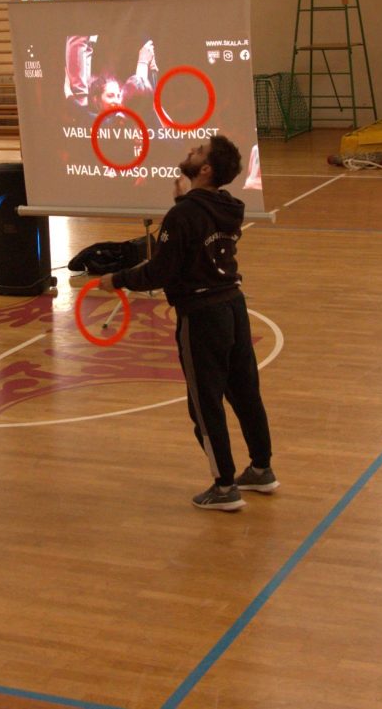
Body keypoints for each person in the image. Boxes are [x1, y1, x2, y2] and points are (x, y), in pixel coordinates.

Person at [100, 135, 276, 511]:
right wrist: (184, 201)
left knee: (205, 404)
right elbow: (198, 224)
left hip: (202, 316)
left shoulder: (183, 215)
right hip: (234, 307)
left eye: (198, 152)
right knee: (245, 393)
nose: (190, 152)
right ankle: (261, 468)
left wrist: (117, 279)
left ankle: (224, 487)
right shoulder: (229, 206)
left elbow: (159, 271)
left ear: (206, 168)